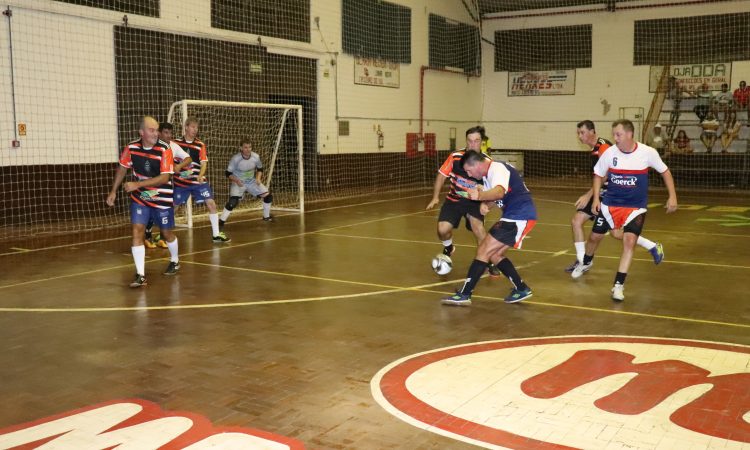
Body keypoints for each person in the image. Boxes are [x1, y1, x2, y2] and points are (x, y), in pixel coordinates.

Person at [571, 119, 678, 302]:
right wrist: (596, 197)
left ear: (629, 134)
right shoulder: (610, 153)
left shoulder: (647, 152)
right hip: (610, 205)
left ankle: (618, 285)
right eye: (614, 134)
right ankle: (586, 262)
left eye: (618, 134)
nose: (615, 138)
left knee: (629, 241)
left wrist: (673, 196)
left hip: (635, 207)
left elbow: (665, 172)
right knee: (597, 236)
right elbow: (598, 175)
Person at [441, 150, 537, 306]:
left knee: (483, 249)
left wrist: (479, 197)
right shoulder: (487, 176)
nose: (469, 175)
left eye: (469, 170)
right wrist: (487, 205)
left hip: (519, 215)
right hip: (516, 215)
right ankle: (522, 288)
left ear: (477, 164)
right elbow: (497, 194)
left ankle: (465, 294)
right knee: (494, 254)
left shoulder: (496, 169)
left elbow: (499, 191)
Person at [566, 121, 663, 273]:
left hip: (610, 195)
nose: (580, 136)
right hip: (603, 193)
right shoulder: (595, 148)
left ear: (593, 132)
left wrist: (589, 195)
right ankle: (582, 259)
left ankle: (583, 261)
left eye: (582, 132)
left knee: (611, 232)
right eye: (578, 133)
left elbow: (604, 175)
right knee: (579, 222)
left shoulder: (604, 148)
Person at [106, 116, 180, 287]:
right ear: (142, 132)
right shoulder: (131, 148)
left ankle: (175, 261)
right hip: (141, 197)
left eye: (157, 130)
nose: (156, 133)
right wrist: (113, 191)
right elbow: (123, 168)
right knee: (137, 231)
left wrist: (137, 184)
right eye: (151, 130)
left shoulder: (165, 149)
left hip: (162, 196)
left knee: (166, 233)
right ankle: (140, 275)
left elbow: (164, 177)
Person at [426, 126, 500, 276]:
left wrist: (486, 204)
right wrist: (435, 197)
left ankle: (489, 261)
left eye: (476, 141)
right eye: (470, 141)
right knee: (442, 230)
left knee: (479, 230)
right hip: (454, 200)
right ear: (466, 141)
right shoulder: (455, 157)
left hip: (474, 203)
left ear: (482, 142)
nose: (473, 144)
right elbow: (441, 176)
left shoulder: (488, 162)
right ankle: (448, 247)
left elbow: (494, 189)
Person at [172, 117, 230, 243]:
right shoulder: (175, 143)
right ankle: (164, 233)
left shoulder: (200, 145)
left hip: (197, 182)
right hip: (181, 182)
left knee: (211, 203)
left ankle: (216, 234)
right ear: (186, 127)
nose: (195, 130)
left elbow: (203, 163)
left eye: (196, 127)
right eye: (192, 127)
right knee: (173, 207)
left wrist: (201, 175)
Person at [144, 122, 193, 249]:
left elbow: (188, 158)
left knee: (165, 211)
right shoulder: (151, 146)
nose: (169, 135)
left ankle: (161, 237)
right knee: (151, 210)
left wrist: (179, 166)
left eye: (170, 133)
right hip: (152, 183)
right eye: (166, 132)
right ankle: (147, 237)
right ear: (159, 133)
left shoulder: (173, 146)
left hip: (167, 184)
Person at [219, 139, 274, 227]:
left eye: (250, 147)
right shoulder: (236, 159)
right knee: (233, 202)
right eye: (245, 147)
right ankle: (221, 221)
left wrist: (258, 178)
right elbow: (228, 173)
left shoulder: (255, 157)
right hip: (238, 182)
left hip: (251, 181)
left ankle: (266, 217)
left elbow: (260, 169)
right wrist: (236, 180)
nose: (248, 149)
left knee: (268, 196)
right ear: (241, 148)